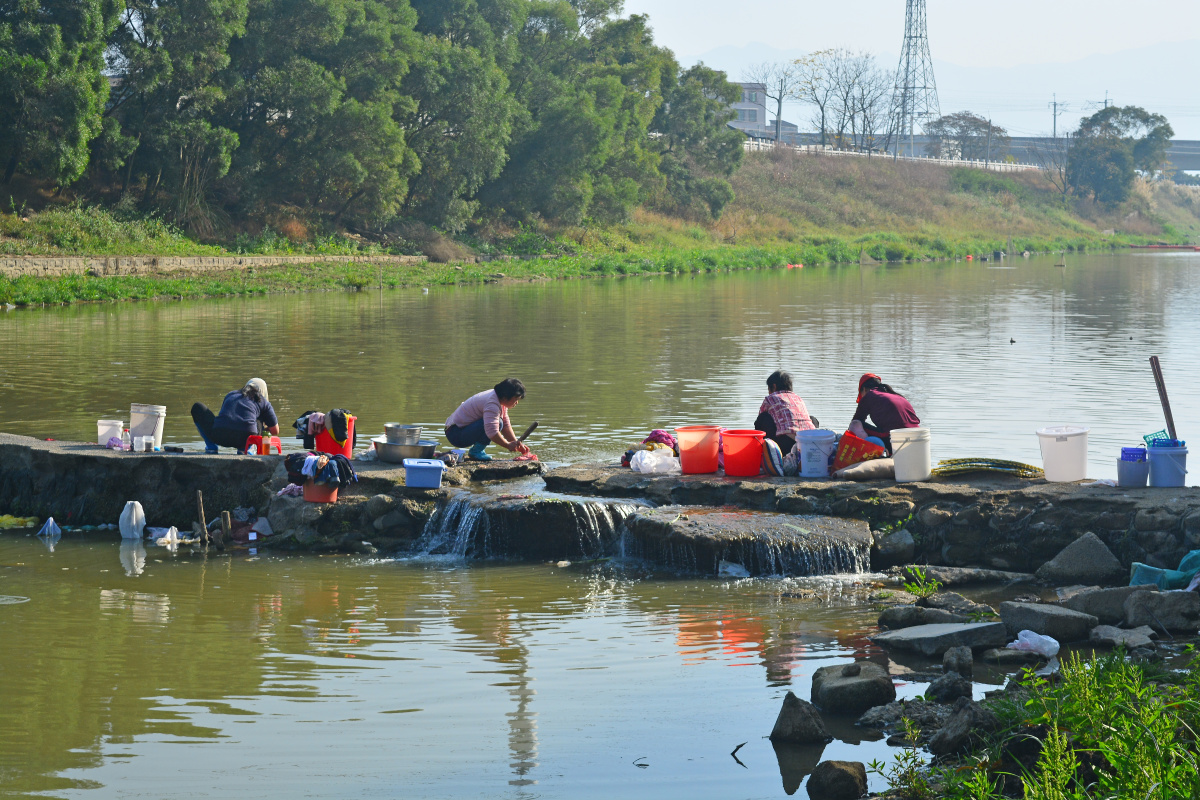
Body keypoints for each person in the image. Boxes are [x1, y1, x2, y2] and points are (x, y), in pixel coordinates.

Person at [445, 378, 531, 461]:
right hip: (455, 434)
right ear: (505, 397)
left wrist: (516, 443)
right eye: (515, 399)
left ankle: (477, 450)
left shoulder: (499, 399)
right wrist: (508, 445)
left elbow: (506, 424)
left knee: (500, 422)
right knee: (498, 423)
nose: (517, 403)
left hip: (457, 430)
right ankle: (476, 451)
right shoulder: (492, 403)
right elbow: (492, 432)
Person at [191, 378, 280, 454]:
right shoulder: (263, 401)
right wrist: (261, 430)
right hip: (246, 439)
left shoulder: (231, 394)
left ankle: (211, 447)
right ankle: (246, 449)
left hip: (219, 436)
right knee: (256, 417)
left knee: (198, 407)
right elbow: (275, 430)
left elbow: (226, 418)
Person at [850, 373, 920, 454]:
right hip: (918, 437)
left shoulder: (869, 395)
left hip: (896, 437)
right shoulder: (895, 395)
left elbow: (855, 422)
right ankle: (890, 453)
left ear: (864, 389)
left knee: (855, 425)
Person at [753, 370, 816, 454]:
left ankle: (767, 453)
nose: (769, 392)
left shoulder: (770, 398)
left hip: (786, 446)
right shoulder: (798, 398)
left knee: (763, 417)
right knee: (812, 419)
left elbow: (759, 424)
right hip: (809, 443)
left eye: (769, 389)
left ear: (774, 387)